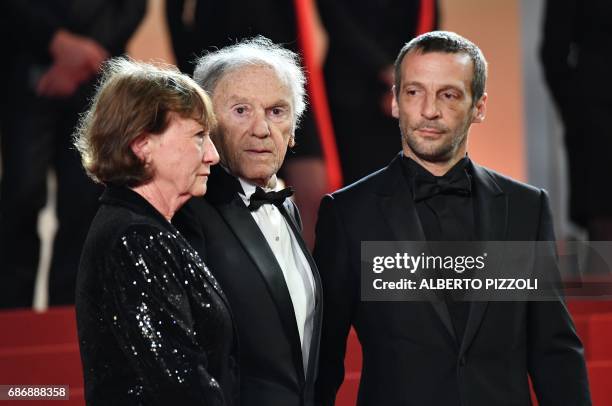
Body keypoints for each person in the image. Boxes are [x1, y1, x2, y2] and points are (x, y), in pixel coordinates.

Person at [313, 31, 591, 405]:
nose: (429, 110)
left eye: (449, 94)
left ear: (479, 106)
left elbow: (554, 351)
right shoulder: (348, 214)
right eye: (414, 92)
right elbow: (324, 358)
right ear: (395, 101)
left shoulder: (525, 208)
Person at [74, 58, 238, 406]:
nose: (212, 154)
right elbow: (182, 385)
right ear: (141, 144)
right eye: (198, 136)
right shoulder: (136, 240)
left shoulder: (143, 228)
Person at [173, 37, 322, 406]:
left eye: (276, 111)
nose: (261, 129)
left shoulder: (287, 207)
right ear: (207, 123)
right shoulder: (189, 213)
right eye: (241, 110)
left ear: (293, 129)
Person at [0, 0, 146, 308]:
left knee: (87, 201)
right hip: (26, 66)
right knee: (21, 195)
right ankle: (12, 322)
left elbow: (134, 7)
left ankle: (71, 317)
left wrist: (85, 55)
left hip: (99, 73)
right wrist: (55, 41)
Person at [165, 0, 329, 249]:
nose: (261, 130)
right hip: (220, 68)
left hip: (285, 75)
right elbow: (175, 13)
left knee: (313, 192)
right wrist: (193, 77)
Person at [317, 0, 439, 184]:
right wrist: (387, 72)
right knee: (356, 180)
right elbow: (338, 23)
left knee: (402, 178)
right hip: (350, 90)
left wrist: (409, 76)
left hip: (405, 90)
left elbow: (427, 23)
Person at [540, 0, 612, 241]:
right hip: (597, 118)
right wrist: (577, 109)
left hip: (592, 108)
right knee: (602, 219)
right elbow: (553, 53)